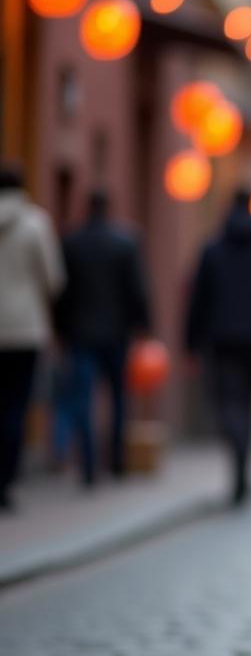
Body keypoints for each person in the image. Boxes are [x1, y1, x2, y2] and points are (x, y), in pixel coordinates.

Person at [185, 188, 251, 507]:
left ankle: (238, 445)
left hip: (220, 338)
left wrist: (190, 343)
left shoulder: (212, 249)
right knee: (247, 402)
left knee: (226, 401)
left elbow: (197, 299)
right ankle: (243, 461)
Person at [56, 187, 152, 485]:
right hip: (116, 333)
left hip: (81, 334)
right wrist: (143, 327)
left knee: (83, 398)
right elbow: (137, 289)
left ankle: (88, 464)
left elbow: (62, 294)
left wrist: (61, 330)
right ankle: (117, 461)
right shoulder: (124, 243)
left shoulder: (71, 242)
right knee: (119, 398)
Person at [0, 163, 66, 511]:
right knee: (14, 406)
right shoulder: (34, 223)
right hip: (24, 329)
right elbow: (53, 278)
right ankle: (6, 482)